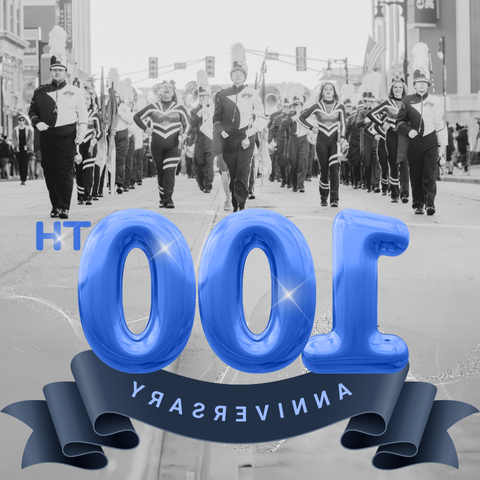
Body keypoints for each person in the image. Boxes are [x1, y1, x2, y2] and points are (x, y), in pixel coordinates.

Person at [28, 26, 88, 219]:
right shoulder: (40, 91)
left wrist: (82, 133)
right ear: (51, 71)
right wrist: (37, 123)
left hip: (67, 136)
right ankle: (55, 205)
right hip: (47, 136)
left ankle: (64, 207)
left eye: (61, 70)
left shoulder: (76, 92)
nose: (57, 73)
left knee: (64, 172)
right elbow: (32, 111)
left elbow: (83, 115)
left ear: (66, 72)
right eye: (54, 70)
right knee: (50, 172)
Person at [212, 43, 267, 211]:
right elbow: (216, 119)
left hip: (246, 137)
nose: (237, 76)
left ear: (245, 76)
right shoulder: (221, 95)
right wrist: (221, 131)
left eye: (240, 73)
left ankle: (241, 204)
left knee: (243, 171)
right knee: (232, 173)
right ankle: (235, 203)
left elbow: (262, 117)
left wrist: (250, 132)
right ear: (231, 75)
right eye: (234, 73)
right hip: (228, 139)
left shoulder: (253, 93)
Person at [396, 45, 447, 216]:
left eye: (425, 83)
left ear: (428, 83)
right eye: (419, 83)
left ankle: (430, 203)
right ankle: (418, 203)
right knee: (416, 174)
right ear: (414, 84)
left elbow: (440, 123)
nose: (422, 85)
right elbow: (398, 122)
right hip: (414, 143)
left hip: (431, 141)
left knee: (429, 174)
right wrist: (408, 130)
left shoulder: (436, 100)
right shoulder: (407, 100)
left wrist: (443, 146)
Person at [134, 80, 189, 208]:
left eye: (170, 87)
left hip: (174, 146)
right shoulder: (153, 106)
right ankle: (163, 197)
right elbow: (136, 117)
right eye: (164, 87)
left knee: (169, 171)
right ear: (160, 91)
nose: (167, 89)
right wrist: (145, 129)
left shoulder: (179, 108)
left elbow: (188, 124)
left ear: (173, 92)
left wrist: (184, 134)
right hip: (156, 147)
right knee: (161, 172)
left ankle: (168, 199)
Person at [299, 82, 346, 207]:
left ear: (334, 92)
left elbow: (343, 124)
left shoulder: (340, 106)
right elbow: (301, 117)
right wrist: (311, 128)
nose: (329, 91)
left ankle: (335, 199)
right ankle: (323, 197)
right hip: (321, 142)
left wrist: (342, 137)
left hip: (335, 142)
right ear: (322, 92)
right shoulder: (317, 106)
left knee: (335, 169)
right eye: (326, 89)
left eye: (331, 89)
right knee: (324, 171)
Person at [368, 76, 409, 203]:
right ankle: (394, 193)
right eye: (395, 87)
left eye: (400, 87)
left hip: (405, 136)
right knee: (393, 164)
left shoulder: (408, 102)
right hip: (391, 135)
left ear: (403, 89)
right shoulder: (386, 103)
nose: (398, 89)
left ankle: (405, 193)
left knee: (405, 164)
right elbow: (371, 114)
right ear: (392, 89)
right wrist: (382, 123)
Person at [187, 70, 214, 193]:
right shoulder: (194, 110)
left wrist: (209, 113)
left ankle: (208, 184)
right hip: (199, 137)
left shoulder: (213, 109)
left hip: (210, 138)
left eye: (206, 95)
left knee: (209, 161)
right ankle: (201, 180)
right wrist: (199, 114)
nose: (204, 97)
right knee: (198, 161)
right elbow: (192, 124)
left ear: (209, 96)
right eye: (202, 95)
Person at [76, 89, 102, 205]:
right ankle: (80, 196)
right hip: (78, 146)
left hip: (90, 146)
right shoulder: (75, 113)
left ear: (91, 101)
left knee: (88, 170)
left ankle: (88, 195)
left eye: (88, 99)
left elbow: (100, 131)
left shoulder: (95, 114)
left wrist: (95, 139)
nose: (85, 101)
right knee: (78, 171)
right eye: (83, 99)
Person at [279, 93, 309, 193]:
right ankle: (294, 184)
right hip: (293, 139)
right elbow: (282, 125)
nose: (298, 106)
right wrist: (293, 118)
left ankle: (301, 185)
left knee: (302, 162)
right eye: (296, 105)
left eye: (300, 104)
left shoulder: (306, 113)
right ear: (293, 106)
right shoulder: (290, 115)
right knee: (294, 164)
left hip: (303, 139)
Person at [12, 117, 34, 185]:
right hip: (18, 148)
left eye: (23, 121)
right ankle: (22, 178)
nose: (21, 122)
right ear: (18, 122)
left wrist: (27, 146)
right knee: (20, 163)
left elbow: (31, 138)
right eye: (20, 121)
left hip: (26, 148)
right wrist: (16, 146)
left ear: (24, 122)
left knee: (25, 163)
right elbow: (14, 138)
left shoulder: (28, 129)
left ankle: (24, 179)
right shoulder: (15, 129)